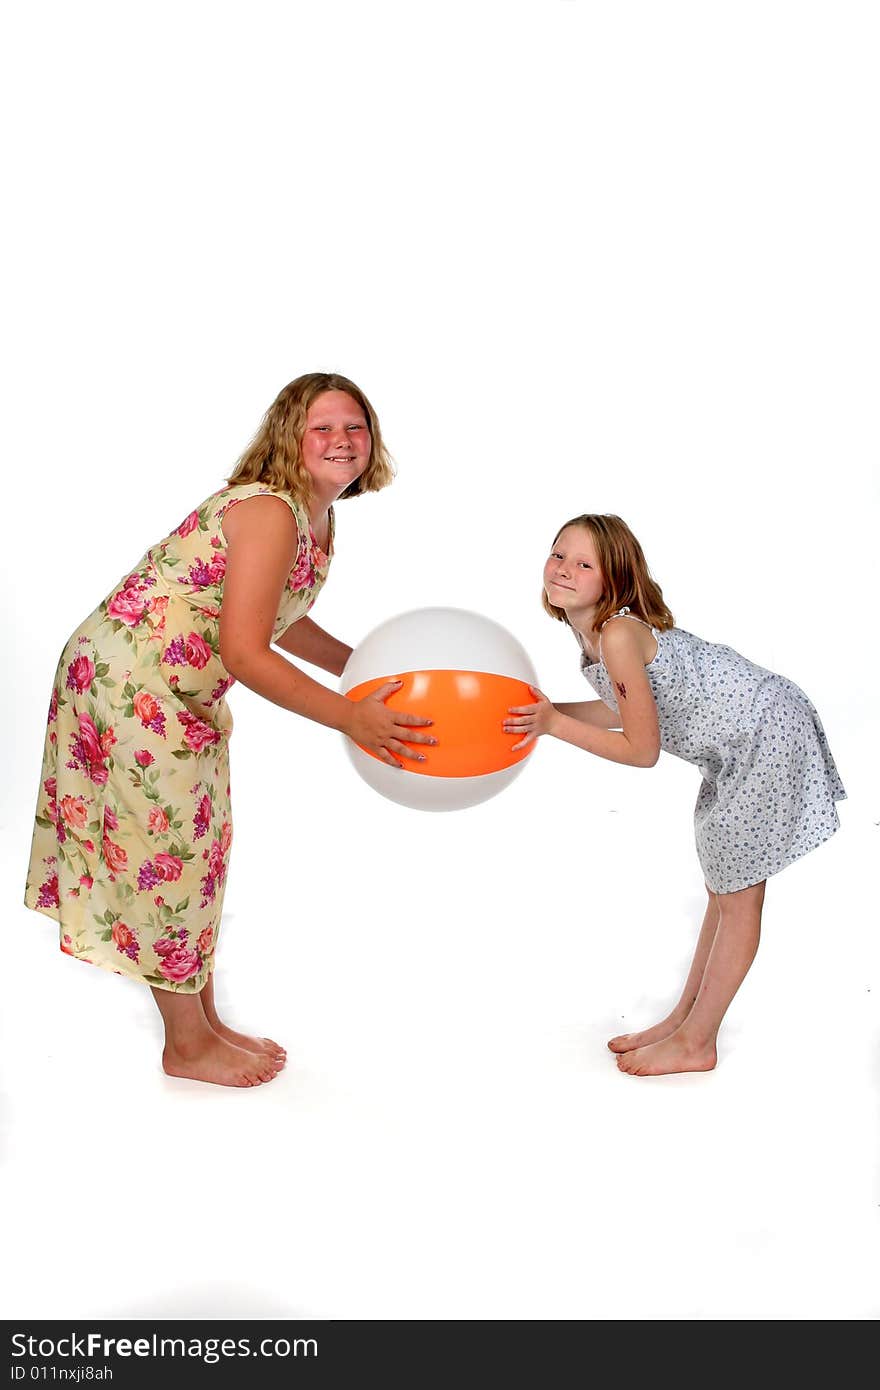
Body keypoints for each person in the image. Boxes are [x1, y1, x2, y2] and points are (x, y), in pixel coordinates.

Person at [25, 372, 435, 1088]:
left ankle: (202, 1024)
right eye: (323, 428)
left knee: (198, 849)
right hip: (130, 686)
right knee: (169, 853)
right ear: (289, 436)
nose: (343, 440)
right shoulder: (271, 511)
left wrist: (361, 669)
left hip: (176, 692)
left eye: (355, 428)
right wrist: (350, 716)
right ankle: (185, 1046)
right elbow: (247, 649)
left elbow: (283, 614)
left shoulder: (315, 518)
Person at [503, 514, 845, 1076]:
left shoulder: (615, 632)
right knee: (722, 886)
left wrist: (551, 726)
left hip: (763, 732)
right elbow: (627, 706)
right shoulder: (593, 633)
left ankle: (697, 1042)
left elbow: (642, 749)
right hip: (737, 745)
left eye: (583, 563)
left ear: (613, 579)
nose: (563, 569)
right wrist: (548, 711)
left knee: (738, 898)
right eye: (558, 554)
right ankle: (685, 1018)